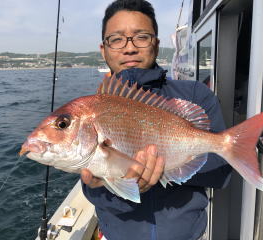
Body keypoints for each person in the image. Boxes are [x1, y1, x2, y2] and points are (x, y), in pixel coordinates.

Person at [80, 0, 232, 239]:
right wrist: (116, 186)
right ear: (104, 49)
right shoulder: (94, 109)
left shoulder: (194, 95)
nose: (129, 48)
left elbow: (221, 173)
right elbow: (91, 185)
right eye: (117, 39)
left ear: (156, 44)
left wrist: (167, 167)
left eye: (141, 37)